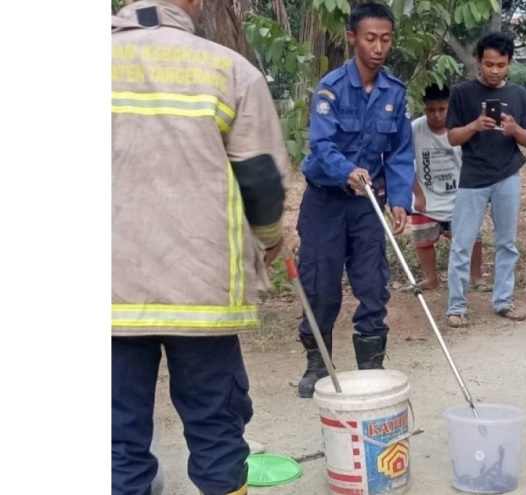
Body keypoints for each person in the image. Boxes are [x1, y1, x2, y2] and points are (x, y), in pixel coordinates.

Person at [112, 1, 289, 494]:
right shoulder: (228, 69)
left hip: (107, 295)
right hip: (202, 292)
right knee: (216, 431)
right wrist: (271, 238)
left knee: (113, 443)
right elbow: (260, 181)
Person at [294, 1, 414, 398]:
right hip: (326, 201)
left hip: (367, 205)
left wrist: (399, 199)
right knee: (319, 284)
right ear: (352, 38)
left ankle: (371, 367)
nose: (379, 47)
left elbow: (399, 152)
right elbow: (320, 143)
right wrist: (347, 169)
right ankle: (318, 365)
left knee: (372, 283)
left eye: (385, 39)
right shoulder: (330, 88)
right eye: (370, 39)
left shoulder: (394, 93)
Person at [444, 31, 526, 328]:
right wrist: (474, 125)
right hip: (472, 177)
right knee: (462, 243)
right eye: (489, 64)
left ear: (509, 63)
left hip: (507, 176)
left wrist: (514, 130)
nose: (494, 70)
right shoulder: (461, 93)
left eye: (501, 64)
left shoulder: (518, 95)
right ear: (478, 62)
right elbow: (452, 136)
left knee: (507, 243)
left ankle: (503, 301)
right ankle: (456, 306)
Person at [408, 83, 488, 292]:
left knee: (472, 237)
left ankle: (477, 277)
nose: (436, 115)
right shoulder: (415, 129)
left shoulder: (461, 128)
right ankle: (431, 278)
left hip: (459, 195)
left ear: (450, 107)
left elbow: (475, 160)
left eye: (441, 110)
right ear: (424, 108)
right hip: (427, 196)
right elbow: (404, 164)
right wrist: (417, 194)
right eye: (431, 110)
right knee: (422, 238)